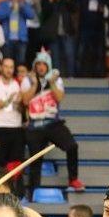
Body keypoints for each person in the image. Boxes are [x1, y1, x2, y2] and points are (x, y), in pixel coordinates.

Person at [23, 51, 83, 192]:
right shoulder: (28, 79)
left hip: (53, 123)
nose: (41, 67)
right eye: (39, 64)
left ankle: (73, 179)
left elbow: (59, 97)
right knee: (35, 159)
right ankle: (33, 191)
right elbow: (25, 100)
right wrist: (35, 84)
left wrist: (51, 82)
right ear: (35, 66)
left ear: (48, 66)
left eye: (44, 64)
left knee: (72, 146)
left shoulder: (57, 79)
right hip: (34, 125)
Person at [0, 57, 26, 171]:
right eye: (6, 66)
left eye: (11, 67)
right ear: (0, 68)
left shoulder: (19, 83)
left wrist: (19, 104)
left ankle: (16, 189)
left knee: (16, 167)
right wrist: (7, 101)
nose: (9, 70)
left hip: (15, 128)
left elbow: (25, 106)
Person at [0, 0, 36, 65]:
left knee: (20, 64)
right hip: (7, 39)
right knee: (7, 63)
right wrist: (10, 7)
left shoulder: (23, 3)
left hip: (21, 39)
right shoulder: (3, 4)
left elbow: (31, 15)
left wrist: (22, 5)